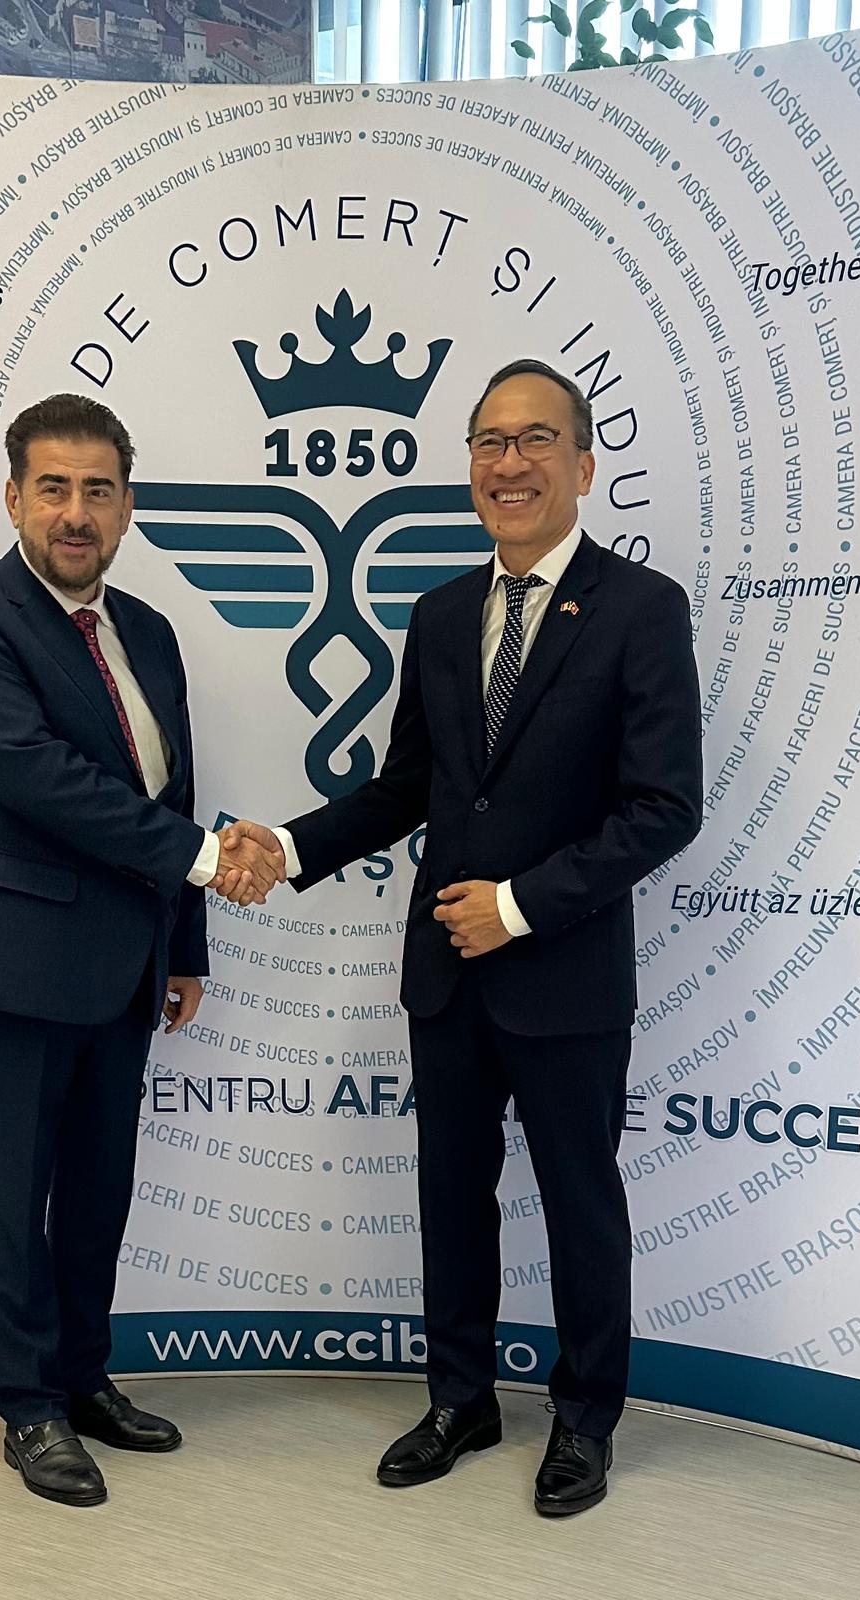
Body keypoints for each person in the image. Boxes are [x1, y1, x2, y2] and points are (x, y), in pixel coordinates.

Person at [225, 360, 703, 1515]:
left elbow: (664, 807)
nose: (510, 462)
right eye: (491, 442)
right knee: (450, 1193)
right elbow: (407, 787)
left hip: (563, 970)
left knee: (581, 1200)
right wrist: (284, 845)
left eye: (536, 439)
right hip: (445, 970)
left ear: (583, 465)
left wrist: (520, 904)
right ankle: (460, 1398)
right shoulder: (440, 614)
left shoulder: (641, 608)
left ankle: (584, 1419)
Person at [0, 393, 282, 1506]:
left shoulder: (151, 632)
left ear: (126, 506)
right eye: (55, 488)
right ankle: (28, 1407)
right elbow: (37, 777)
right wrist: (209, 860)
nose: (76, 512)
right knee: (9, 1196)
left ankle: (82, 1377)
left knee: (96, 1193)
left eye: (98, 490)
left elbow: (173, 788)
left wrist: (187, 943)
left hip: (127, 962)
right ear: (14, 498)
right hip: (14, 957)